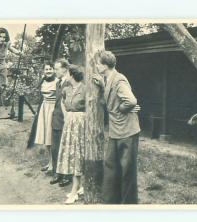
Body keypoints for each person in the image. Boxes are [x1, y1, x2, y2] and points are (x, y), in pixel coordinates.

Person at [93, 50, 140, 204]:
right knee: (111, 166)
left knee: (127, 170)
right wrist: (101, 87)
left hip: (127, 131)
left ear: (105, 65)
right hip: (115, 130)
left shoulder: (119, 80)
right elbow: (106, 102)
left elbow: (131, 101)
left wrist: (120, 109)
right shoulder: (108, 80)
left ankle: (128, 204)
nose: (96, 66)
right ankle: (111, 201)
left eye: (98, 64)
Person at [56, 65, 86, 204]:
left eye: (67, 73)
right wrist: (66, 114)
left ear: (72, 75)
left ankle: (75, 190)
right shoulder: (66, 89)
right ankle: (79, 186)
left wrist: (82, 117)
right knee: (71, 153)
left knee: (78, 154)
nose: (65, 74)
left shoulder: (85, 89)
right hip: (69, 124)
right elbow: (62, 102)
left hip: (80, 124)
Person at [50, 59, 72, 187]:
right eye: (54, 68)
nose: (54, 71)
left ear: (64, 69)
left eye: (57, 69)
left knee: (66, 148)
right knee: (55, 148)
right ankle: (57, 173)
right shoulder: (58, 83)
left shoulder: (69, 83)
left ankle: (67, 175)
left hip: (65, 120)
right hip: (56, 119)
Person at [35, 62, 59, 173]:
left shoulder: (57, 81)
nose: (48, 71)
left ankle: (54, 164)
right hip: (44, 109)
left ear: (53, 70)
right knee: (46, 137)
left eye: (50, 69)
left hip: (53, 108)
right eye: (46, 69)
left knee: (51, 137)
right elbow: (41, 97)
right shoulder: (43, 81)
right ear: (43, 71)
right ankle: (50, 162)